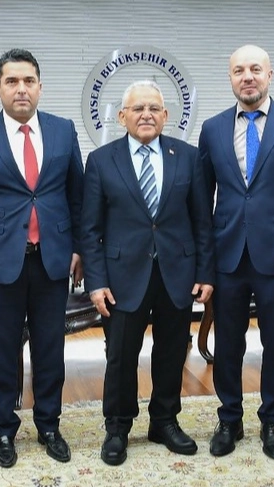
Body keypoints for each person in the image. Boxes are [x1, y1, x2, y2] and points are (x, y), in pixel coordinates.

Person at [0, 49, 84, 468]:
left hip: (52, 260)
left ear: (40, 87)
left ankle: (49, 425)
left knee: (50, 348)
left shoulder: (63, 130)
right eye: (12, 81)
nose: (21, 89)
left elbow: (77, 195)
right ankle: (4, 430)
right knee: (3, 350)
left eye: (28, 81)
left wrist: (79, 249)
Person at [198, 44, 274, 460]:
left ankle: (272, 420)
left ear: (270, 75)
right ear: (230, 78)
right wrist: (204, 263)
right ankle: (229, 418)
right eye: (239, 70)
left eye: (255, 69)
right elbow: (202, 200)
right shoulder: (212, 129)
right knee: (227, 342)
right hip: (228, 255)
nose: (247, 77)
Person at [82, 80, 215, 465]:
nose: (146, 115)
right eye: (138, 109)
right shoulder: (101, 160)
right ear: (122, 116)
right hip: (121, 276)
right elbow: (89, 229)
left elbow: (202, 222)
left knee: (172, 351)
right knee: (121, 355)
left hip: (178, 272)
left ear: (166, 115)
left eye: (154, 108)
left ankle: (164, 421)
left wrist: (205, 272)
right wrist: (96, 282)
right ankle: (117, 427)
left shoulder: (188, 157)